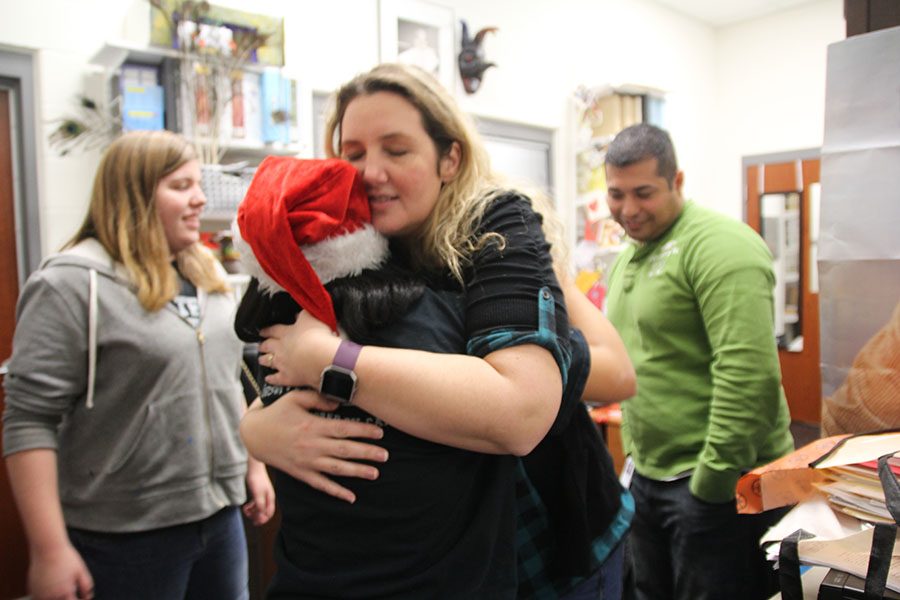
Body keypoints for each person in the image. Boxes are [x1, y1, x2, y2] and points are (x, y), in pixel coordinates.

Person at [238, 63, 636, 598]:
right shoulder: (352, 245)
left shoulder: (498, 230)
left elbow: (575, 387)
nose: (368, 171)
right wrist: (257, 428)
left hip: (549, 531)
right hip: (445, 551)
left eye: (396, 151)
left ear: (450, 157)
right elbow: (274, 363)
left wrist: (334, 361)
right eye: (352, 153)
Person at [2, 130, 275, 600]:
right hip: (125, 535)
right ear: (133, 195)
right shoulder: (70, 284)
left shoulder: (205, 272)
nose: (200, 199)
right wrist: (48, 550)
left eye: (199, 185)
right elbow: (29, 421)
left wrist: (252, 464)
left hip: (221, 516)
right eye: (180, 186)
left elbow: (232, 381)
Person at [602, 123, 795, 600]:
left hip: (711, 482)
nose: (628, 210)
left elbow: (747, 375)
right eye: (616, 194)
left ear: (677, 181)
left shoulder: (720, 246)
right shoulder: (630, 256)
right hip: (649, 476)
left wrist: (712, 481)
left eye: (643, 193)